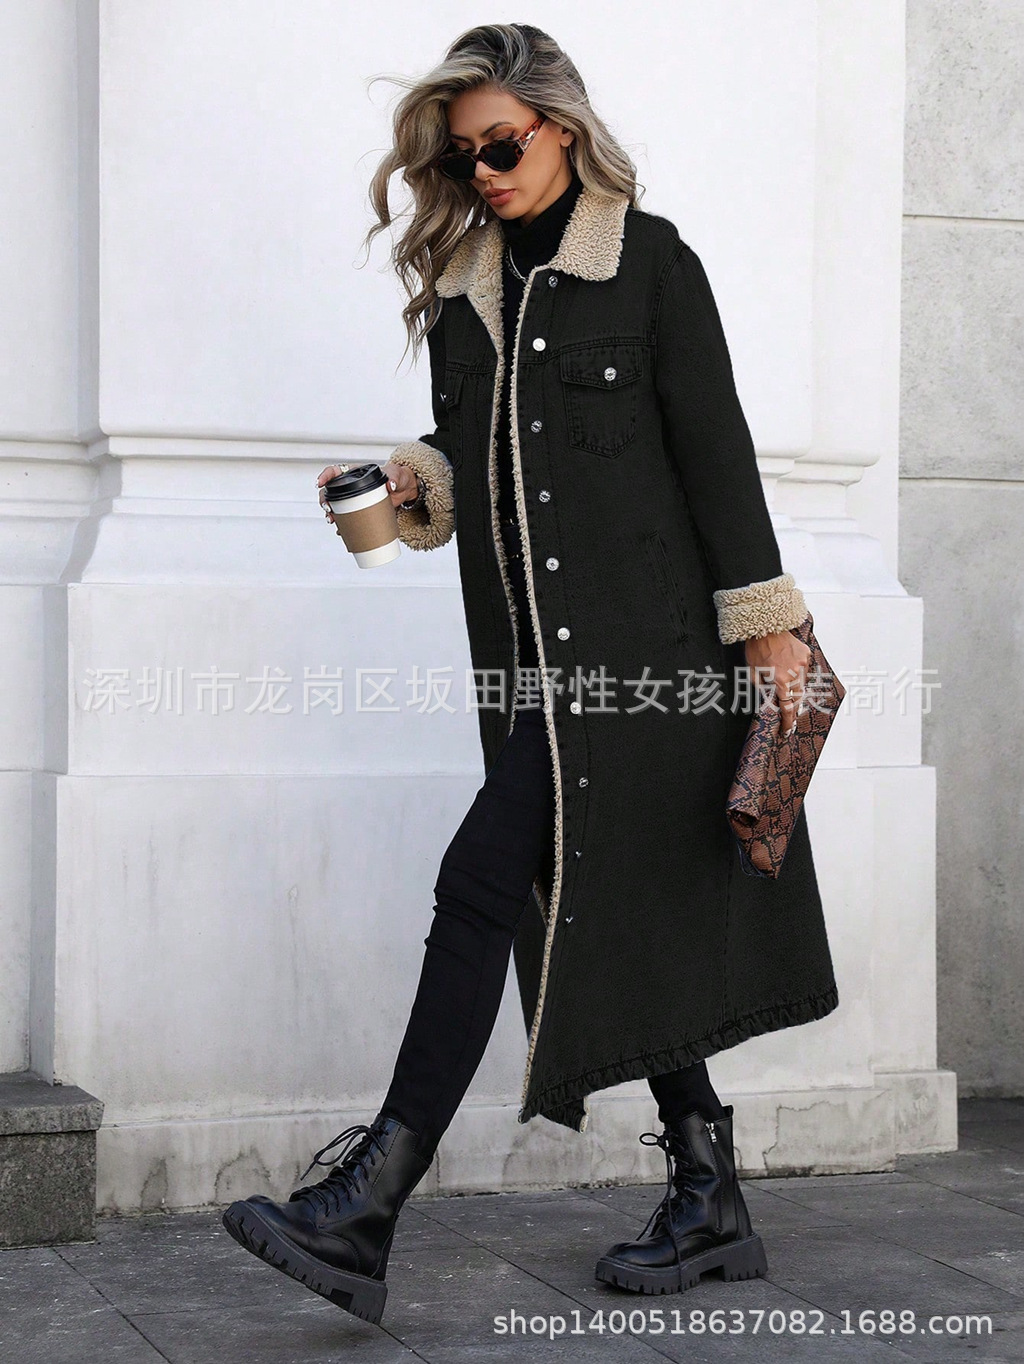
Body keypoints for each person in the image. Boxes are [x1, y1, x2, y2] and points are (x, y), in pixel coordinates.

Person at [222, 22, 838, 1325]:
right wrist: (402, 490)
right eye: (465, 156)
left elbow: (717, 455)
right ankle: (710, 1195)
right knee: (605, 913)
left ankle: (366, 1203)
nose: (485, 173)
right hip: (534, 681)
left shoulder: (652, 265)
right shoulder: (467, 292)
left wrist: (770, 631)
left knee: (481, 887)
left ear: (563, 126)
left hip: (648, 669)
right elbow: (476, 466)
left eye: (502, 145)